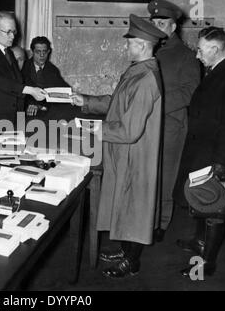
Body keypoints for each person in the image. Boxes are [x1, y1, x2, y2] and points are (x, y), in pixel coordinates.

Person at [71, 14, 166, 278]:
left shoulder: (146, 79)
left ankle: (132, 262)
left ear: (143, 45)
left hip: (135, 155)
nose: (126, 47)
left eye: (130, 43)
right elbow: (117, 103)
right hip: (124, 154)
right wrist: (86, 101)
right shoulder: (138, 71)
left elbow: (129, 130)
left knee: (135, 207)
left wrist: (92, 128)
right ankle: (125, 251)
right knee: (125, 205)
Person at [173, 27, 225, 277]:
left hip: (216, 156)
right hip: (203, 151)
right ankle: (198, 242)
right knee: (201, 202)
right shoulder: (216, 71)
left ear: (215, 49)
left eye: (201, 49)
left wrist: (220, 164)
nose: (197, 55)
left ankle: (206, 265)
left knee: (215, 210)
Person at [148, 0, 201, 242]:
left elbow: (190, 92)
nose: (157, 27)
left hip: (171, 125)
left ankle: (161, 223)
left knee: (166, 176)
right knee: (148, 175)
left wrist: (158, 104)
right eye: (154, 22)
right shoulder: (150, 50)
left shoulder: (186, 56)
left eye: (162, 23)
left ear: (173, 27)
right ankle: (146, 219)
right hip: (147, 124)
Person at [0, 12, 47, 123]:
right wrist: (30, 90)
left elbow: (18, 81)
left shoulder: (9, 53)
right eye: (8, 32)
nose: (12, 36)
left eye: (14, 31)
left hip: (13, 116)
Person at [22, 36, 72, 119]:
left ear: (48, 52)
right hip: (26, 111)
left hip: (46, 111)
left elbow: (63, 89)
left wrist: (71, 96)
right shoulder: (23, 67)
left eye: (44, 52)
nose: (42, 55)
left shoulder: (52, 70)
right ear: (32, 52)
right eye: (38, 52)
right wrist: (31, 104)